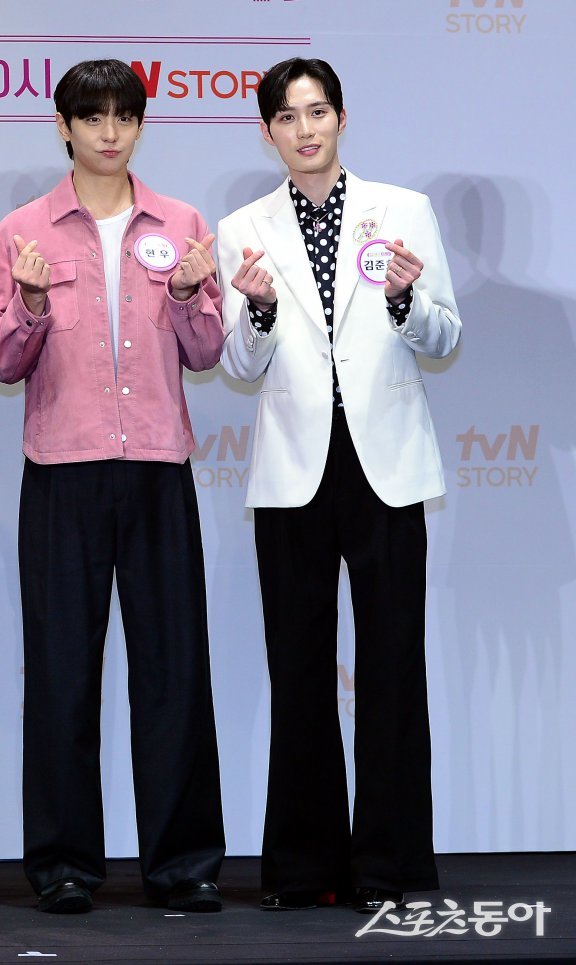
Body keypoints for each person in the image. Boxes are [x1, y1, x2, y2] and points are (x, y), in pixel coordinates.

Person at [0, 59, 226, 915]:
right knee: (59, 676)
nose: (109, 132)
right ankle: (64, 865)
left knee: (173, 672)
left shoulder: (184, 223)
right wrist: (34, 304)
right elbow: (0, 359)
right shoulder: (24, 230)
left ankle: (182, 865)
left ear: (140, 126)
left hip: (158, 469)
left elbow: (206, 351)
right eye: (93, 117)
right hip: (63, 475)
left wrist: (193, 296)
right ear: (65, 126)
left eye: (125, 116)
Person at [215, 57, 462, 913]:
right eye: (288, 117)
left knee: (392, 667)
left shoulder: (403, 212)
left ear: (342, 118)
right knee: (300, 669)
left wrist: (403, 300)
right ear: (267, 132)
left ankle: (390, 864)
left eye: (318, 112)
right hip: (292, 471)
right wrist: (252, 312)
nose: (305, 129)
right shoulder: (242, 226)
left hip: (386, 464)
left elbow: (442, 335)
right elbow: (238, 364)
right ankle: (304, 864)